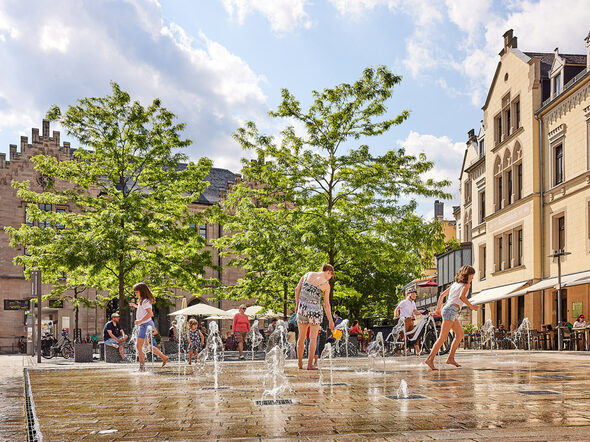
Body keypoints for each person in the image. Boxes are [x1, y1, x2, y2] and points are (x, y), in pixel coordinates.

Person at [425, 265, 478, 370]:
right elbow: (461, 297)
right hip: (451, 310)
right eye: (472, 275)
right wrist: (471, 306)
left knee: (459, 335)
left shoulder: (455, 284)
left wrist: (438, 308)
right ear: (468, 275)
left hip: (449, 309)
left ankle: (450, 358)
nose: (472, 277)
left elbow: (442, 295)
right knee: (442, 337)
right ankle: (430, 359)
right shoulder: (466, 285)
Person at [295, 263, 335, 370]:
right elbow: (326, 305)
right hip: (315, 311)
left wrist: (297, 304)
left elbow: (297, 289)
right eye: (331, 275)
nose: (330, 278)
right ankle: (309, 364)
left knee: (301, 338)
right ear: (328, 272)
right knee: (313, 338)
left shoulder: (307, 274)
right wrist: (331, 321)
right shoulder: (326, 285)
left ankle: (299, 363)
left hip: (302, 309)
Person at [130, 282, 169, 371]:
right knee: (146, 347)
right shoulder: (142, 301)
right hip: (146, 325)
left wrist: (140, 321)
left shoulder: (145, 301)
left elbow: (150, 313)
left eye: (136, 291)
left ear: (142, 291)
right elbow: (143, 310)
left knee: (139, 346)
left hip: (145, 325)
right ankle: (164, 357)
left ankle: (142, 367)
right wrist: (136, 306)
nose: (135, 293)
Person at [394, 288, 423, 354]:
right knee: (403, 335)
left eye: (415, 294)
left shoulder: (413, 303)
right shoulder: (404, 302)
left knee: (414, 335)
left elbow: (415, 312)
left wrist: (421, 312)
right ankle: (404, 350)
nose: (414, 295)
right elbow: (396, 309)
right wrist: (395, 316)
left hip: (410, 320)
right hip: (404, 320)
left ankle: (418, 351)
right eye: (413, 294)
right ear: (408, 295)